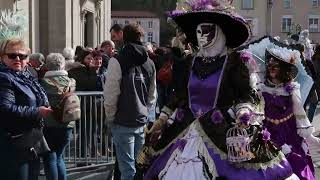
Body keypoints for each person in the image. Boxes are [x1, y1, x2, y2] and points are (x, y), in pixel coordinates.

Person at [138, 1, 297, 179]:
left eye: (206, 30)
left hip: (220, 128)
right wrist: (162, 118)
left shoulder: (234, 62)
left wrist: (243, 111)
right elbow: (181, 94)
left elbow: (246, 93)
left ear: (219, 32)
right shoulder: (192, 61)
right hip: (185, 126)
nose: (201, 36)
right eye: (198, 32)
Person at [0, 10, 52, 179]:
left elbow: (40, 96)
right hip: (13, 144)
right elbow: (5, 108)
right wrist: (37, 112)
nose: (18, 59)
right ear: (2, 57)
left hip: (32, 140)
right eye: (12, 55)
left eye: (22, 56)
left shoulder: (27, 74)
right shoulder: (4, 77)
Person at [103, 23, 157, 180]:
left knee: (127, 170)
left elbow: (111, 94)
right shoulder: (150, 63)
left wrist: (110, 118)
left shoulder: (117, 61)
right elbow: (152, 95)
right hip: (141, 121)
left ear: (123, 37)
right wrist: (146, 113)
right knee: (139, 168)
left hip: (122, 121)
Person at [260, 48, 317, 180]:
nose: (271, 68)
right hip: (267, 132)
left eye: (276, 66)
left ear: (284, 69)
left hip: (288, 132)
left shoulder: (292, 88)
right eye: (270, 65)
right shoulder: (261, 87)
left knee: (295, 163)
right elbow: (258, 111)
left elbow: (300, 113)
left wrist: (310, 136)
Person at [40, 53, 76, 180]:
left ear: (47, 65)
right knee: (59, 156)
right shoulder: (71, 82)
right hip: (67, 123)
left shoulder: (43, 83)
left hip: (49, 124)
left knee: (50, 157)